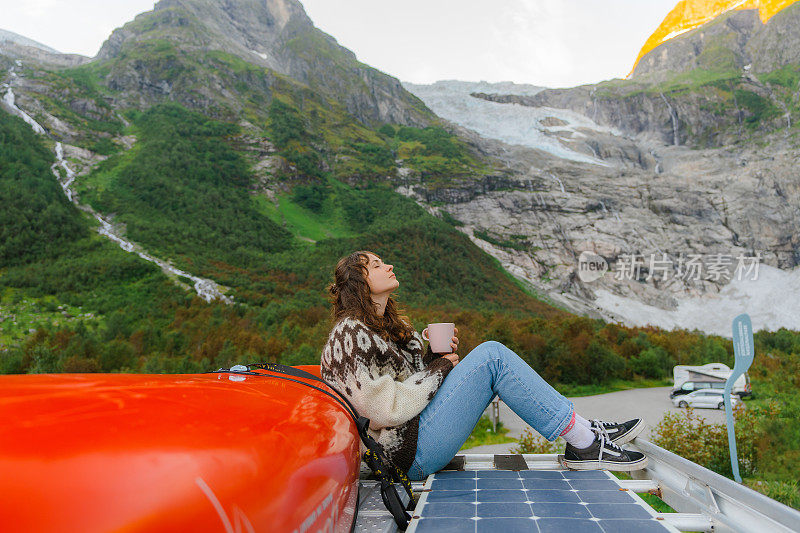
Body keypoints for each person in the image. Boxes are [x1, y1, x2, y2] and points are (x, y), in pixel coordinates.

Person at [320, 250, 647, 481]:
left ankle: (585, 431)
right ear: (360, 283)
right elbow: (383, 410)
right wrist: (441, 368)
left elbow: (418, 384)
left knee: (490, 357)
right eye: (376, 265)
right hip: (403, 457)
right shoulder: (348, 336)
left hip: (416, 438)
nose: (389, 265)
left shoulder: (389, 332)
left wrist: (437, 358)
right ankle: (586, 441)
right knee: (491, 357)